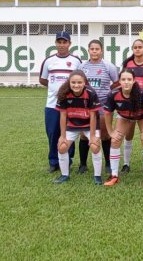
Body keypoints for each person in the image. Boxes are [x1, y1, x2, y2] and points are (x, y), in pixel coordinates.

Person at [103, 69, 143, 187]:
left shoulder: (141, 94)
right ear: (119, 81)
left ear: (134, 81)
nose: (126, 82)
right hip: (124, 116)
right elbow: (107, 113)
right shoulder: (113, 94)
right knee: (115, 140)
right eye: (123, 79)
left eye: (129, 79)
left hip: (141, 117)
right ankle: (114, 175)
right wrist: (110, 131)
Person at [39, 31, 82, 173]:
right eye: (59, 42)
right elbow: (43, 79)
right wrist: (55, 89)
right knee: (52, 133)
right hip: (52, 104)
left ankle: (67, 161)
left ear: (69, 44)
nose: (62, 45)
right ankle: (53, 162)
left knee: (69, 133)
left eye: (65, 42)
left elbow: (81, 80)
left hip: (71, 105)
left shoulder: (76, 61)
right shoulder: (48, 61)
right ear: (56, 43)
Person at [54, 71, 103, 184]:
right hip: (72, 125)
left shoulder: (90, 93)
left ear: (84, 82)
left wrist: (92, 137)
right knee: (62, 147)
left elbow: (93, 116)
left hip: (90, 125)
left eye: (79, 82)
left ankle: (97, 176)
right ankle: (64, 175)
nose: (76, 85)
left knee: (95, 147)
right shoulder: (64, 93)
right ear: (69, 83)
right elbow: (63, 116)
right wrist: (62, 136)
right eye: (73, 82)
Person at [78, 39, 119, 175]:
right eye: (92, 49)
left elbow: (117, 83)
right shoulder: (82, 66)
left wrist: (108, 92)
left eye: (97, 49)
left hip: (103, 105)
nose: (94, 51)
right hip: (86, 106)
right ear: (88, 50)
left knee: (105, 134)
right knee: (84, 135)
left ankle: (108, 163)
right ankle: (83, 164)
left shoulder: (108, 66)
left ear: (101, 51)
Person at [121, 39, 143, 174]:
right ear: (132, 49)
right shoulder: (127, 64)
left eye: (140, 47)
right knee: (128, 135)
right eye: (135, 47)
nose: (137, 49)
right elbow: (122, 81)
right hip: (130, 104)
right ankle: (126, 164)